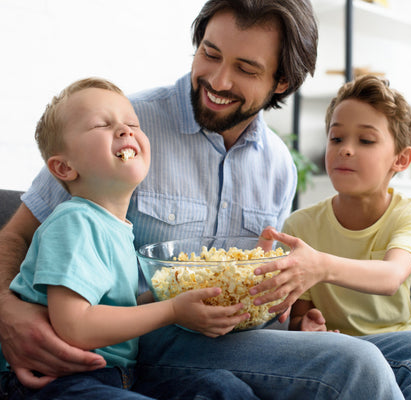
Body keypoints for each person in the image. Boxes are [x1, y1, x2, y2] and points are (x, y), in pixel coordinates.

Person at [0, 1, 406, 399]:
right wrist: (5, 312)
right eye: (209, 54)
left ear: (281, 82)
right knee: (356, 364)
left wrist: (290, 312)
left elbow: (258, 284)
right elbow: (19, 236)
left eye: (246, 69)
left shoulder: (279, 165)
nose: (218, 80)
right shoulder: (123, 127)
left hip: (237, 337)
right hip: (146, 339)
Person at [4, 77, 263, 399]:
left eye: (132, 123)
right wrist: (171, 311)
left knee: (222, 388)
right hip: (57, 380)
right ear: (63, 167)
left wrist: (173, 295)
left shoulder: (119, 229)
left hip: (118, 377)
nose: (125, 130)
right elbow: (76, 325)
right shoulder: (74, 222)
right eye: (101, 125)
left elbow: (114, 308)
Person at [250, 74, 411, 399]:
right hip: (334, 352)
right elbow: (300, 316)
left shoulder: (409, 213)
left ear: (401, 159)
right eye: (336, 138)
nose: (345, 150)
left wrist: (320, 266)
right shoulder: (299, 225)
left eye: (366, 141)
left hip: (396, 348)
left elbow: (390, 276)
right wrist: (306, 325)